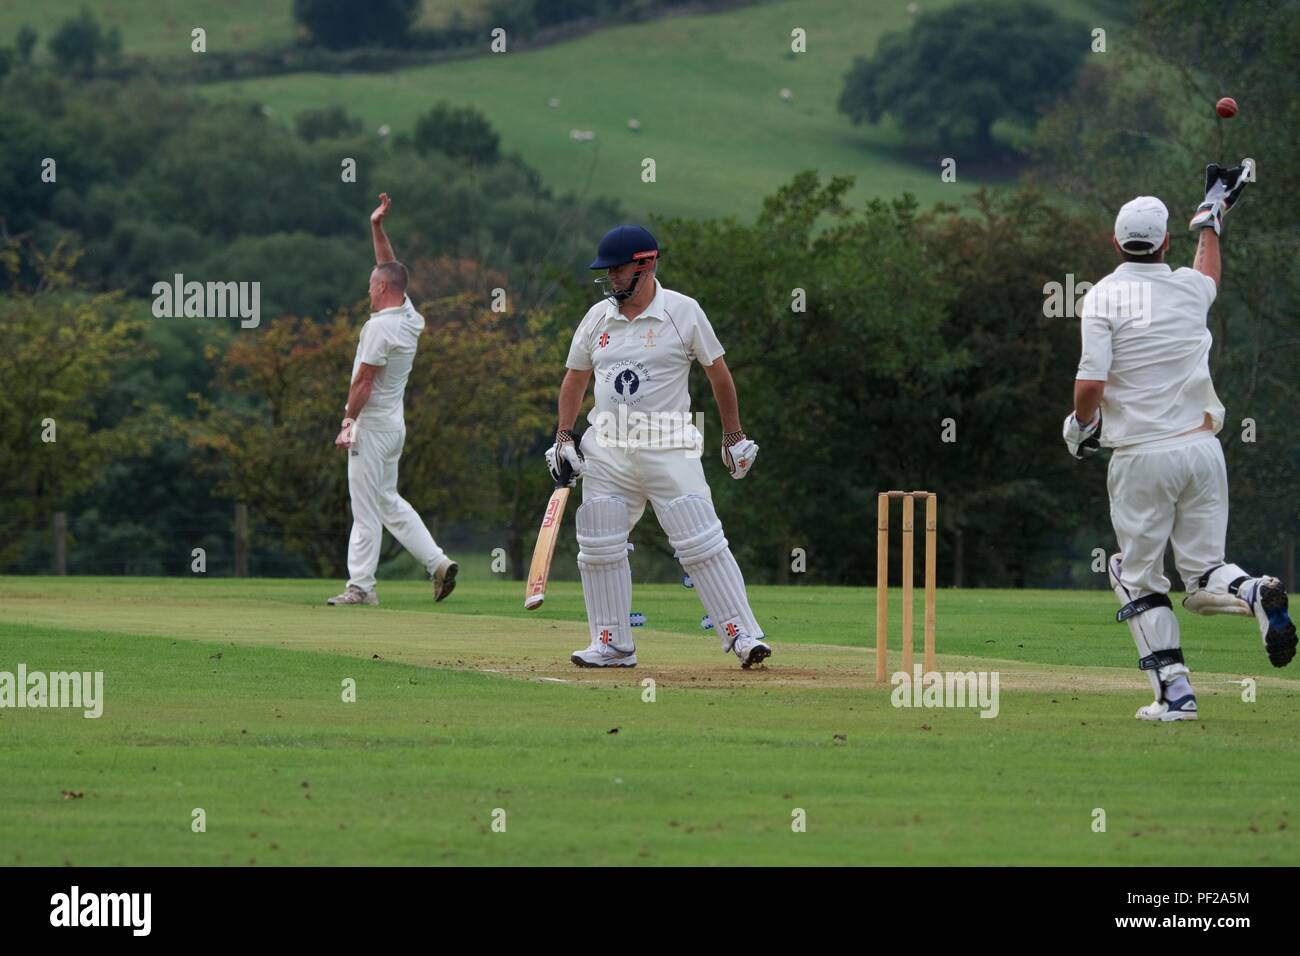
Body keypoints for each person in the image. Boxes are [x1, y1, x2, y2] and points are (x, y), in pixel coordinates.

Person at [1063, 164, 1295, 721]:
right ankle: (1254, 591)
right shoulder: (1189, 289)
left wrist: (1083, 427)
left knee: (1133, 574)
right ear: (1166, 241)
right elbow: (1207, 272)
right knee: (1203, 575)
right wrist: (1210, 217)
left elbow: (1091, 384)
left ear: (1115, 242)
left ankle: (1175, 693)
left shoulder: (1102, 297)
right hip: (1201, 450)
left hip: (1142, 455)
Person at [546, 224, 768, 669]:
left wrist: (733, 434)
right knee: (599, 540)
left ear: (645, 265)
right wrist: (564, 435)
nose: (610, 279)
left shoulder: (683, 312)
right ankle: (611, 643)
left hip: (668, 441)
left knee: (699, 537)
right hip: (607, 444)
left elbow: (718, 373)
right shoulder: (596, 318)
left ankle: (742, 634)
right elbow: (575, 378)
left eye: (617, 270)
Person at [326, 193, 457, 606]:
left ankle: (361, 587)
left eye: (370, 285)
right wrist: (377, 228)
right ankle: (437, 563)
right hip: (394, 427)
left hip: (372, 425)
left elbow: (363, 381)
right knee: (388, 501)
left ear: (380, 289)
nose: (368, 288)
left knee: (365, 510)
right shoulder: (409, 316)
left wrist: (348, 422)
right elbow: (390, 268)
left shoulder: (379, 329)